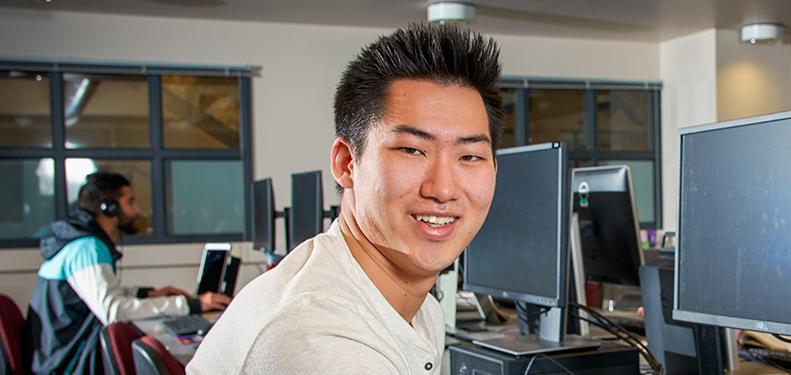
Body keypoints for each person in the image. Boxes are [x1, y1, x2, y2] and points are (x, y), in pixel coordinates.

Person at [188, 23, 502, 374]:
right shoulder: (321, 339)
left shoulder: (414, 306)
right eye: (412, 150)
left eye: (470, 156)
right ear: (346, 163)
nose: (443, 189)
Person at [26, 171, 231, 375]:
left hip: (61, 353)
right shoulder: (86, 248)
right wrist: (191, 304)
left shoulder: (83, 242)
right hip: (67, 363)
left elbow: (93, 295)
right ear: (109, 207)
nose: (137, 211)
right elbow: (113, 311)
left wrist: (147, 294)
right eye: (130, 202)